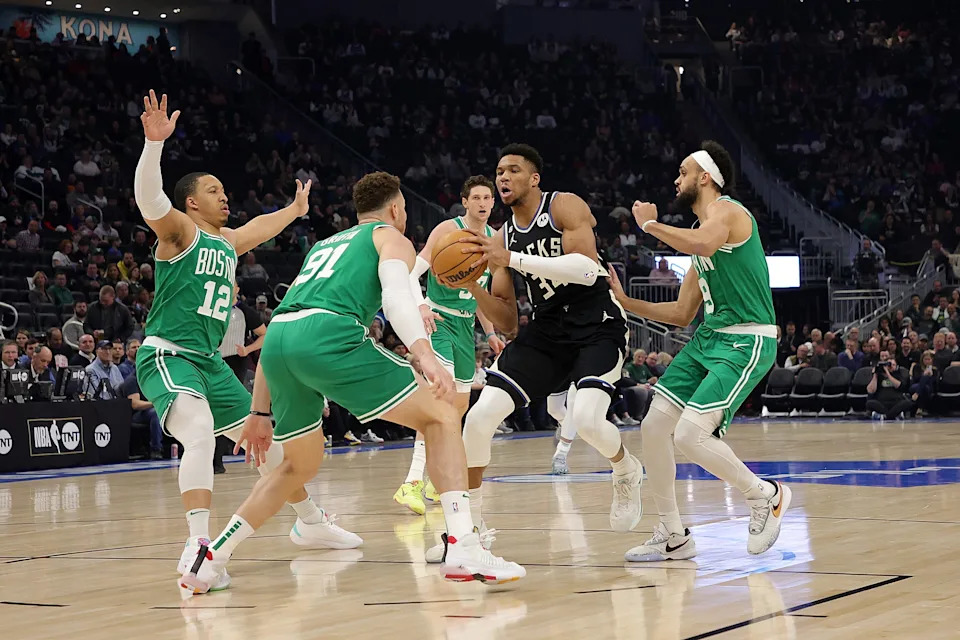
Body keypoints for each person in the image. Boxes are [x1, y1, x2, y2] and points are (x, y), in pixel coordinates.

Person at [180, 171, 524, 595]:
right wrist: (424, 354)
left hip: (282, 344)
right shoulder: (389, 237)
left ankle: (211, 558)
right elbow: (398, 295)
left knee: (296, 465)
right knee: (443, 412)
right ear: (396, 209)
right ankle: (463, 546)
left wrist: (259, 411)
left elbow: (282, 323)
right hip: (331, 335)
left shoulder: (324, 246)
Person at [132, 90, 360, 585]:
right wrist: (154, 147)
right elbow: (150, 200)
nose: (224, 195)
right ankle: (198, 544)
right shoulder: (179, 232)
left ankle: (312, 524)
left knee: (268, 450)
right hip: (169, 355)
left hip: (210, 362)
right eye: (213, 190)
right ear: (192, 201)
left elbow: (258, 226)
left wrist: (295, 211)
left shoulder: (227, 241)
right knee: (196, 431)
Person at [439, 143, 642, 566]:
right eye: (498, 171)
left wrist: (511, 258)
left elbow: (588, 270)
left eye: (513, 170)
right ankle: (470, 530)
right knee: (477, 419)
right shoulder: (502, 236)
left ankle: (625, 469)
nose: (503, 177)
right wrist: (471, 282)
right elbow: (509, 322)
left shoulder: (563, 206)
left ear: (534, 179)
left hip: (596, 323)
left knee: (585, 419)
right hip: (547, 330)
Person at [607, 141, 789, 561]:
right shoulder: (701, 249)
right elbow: (681, 311)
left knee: (690, 434)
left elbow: (705, 243)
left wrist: (650, 227)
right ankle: (674, 534)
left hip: (747, 339)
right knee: (654, 426)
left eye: (683, 172)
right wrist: (625, 301)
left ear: (704, 177)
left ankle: (766, 495)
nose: (677, 179)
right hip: (710, 338)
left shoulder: (728, 211)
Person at [393, 175, 505, 516]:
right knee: (440, 403)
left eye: (489, 197)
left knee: (457, 410)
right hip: (438, 322)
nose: (485, 203)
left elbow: (480, 293)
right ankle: (411, 482)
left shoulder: (494, 241)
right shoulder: (446, 230)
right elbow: (411, 272)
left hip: (465, 326)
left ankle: (432, 481)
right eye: (478, 197)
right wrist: (422, 305)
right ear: (465, 202)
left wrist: (489, 332)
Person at [120, 371, 164, 459]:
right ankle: (156, 449)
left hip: (148, 411)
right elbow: (135, 404)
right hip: (133, 415)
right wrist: (154, 403)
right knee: (155, 414)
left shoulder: (151, 380)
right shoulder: (132, 381)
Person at [866, 352, 913, 420]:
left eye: (893, 365)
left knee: (908, 403)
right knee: (869, 403)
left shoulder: (898, 374)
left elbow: (898, 385)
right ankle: (893, 415)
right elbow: (870, 390)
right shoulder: (879, 376)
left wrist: (888, 374)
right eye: (889, 365)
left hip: (896, 402)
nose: (891, 366)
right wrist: (875, 374)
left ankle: (885, 415)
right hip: (882, 403)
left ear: (896, 366)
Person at [909, 350, 937, 417]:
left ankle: (917, 394)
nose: (927, 361)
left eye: (928, 359)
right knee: (924, 387)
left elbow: (935, 382)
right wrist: (923, 375)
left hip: (929, 388)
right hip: (916, 386)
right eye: (925, 359)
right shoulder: (917, 367)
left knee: (925, 387)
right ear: (922, 360)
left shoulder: (935, 370)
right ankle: (920, 408)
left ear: (932, 360)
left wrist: (931, 376)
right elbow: (915, 378)